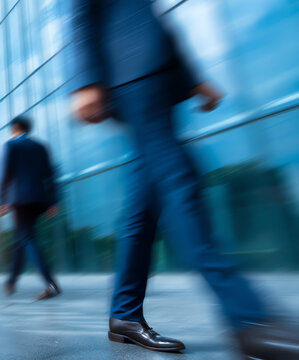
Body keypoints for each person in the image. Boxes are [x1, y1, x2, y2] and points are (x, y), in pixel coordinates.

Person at [68, 1, 299, 358]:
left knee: (143, 208)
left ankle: (124, 315)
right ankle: (250, 318)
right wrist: (85, 79)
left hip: (154, 74)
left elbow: (150, 15)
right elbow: (82, 10)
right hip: (133, 74)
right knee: (180, 183)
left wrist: (193, 79)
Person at [0, 116, 61, 301]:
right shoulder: (41, 146)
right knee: (21, 239)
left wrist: (1, 200)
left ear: (16, 127)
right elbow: (50, 174)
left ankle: (51, 283)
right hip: (39, 200)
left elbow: (4, 175)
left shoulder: (10, 146)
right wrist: (53, 201)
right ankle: (11, 280)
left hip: (19, 201)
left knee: (28, 238)